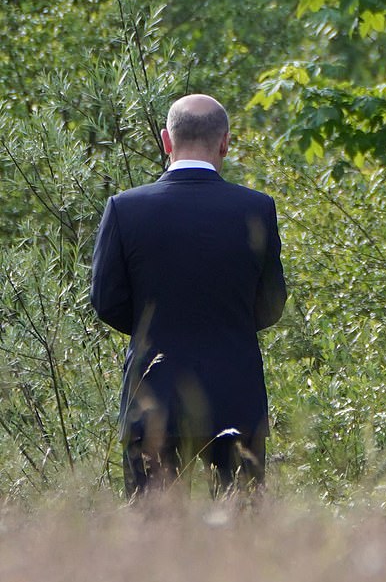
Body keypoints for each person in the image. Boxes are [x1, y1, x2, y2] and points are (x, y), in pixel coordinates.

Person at [90, 94, 287, 499]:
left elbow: (106, 300)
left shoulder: (125, 209)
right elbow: (271, 304)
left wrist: (154, 332)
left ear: (166, 140)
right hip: (235, 393)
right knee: (241, 529)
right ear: (225, 142)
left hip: (153, 394)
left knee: (151, 531)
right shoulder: (256, 209)